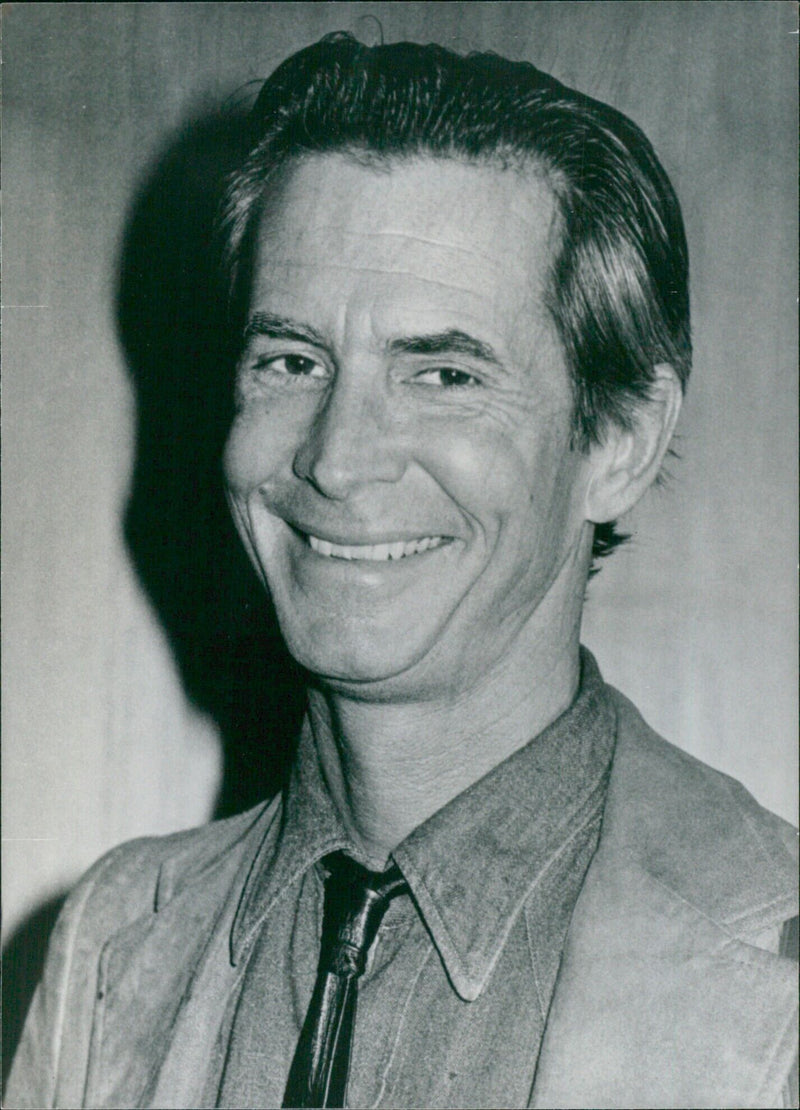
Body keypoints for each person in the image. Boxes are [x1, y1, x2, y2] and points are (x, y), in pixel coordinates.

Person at [7, 34, 797, 1110]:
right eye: (291, 361)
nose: (335, 458)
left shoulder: (776, 972)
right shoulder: (108, 942)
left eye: (442, 372)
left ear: (617, 441)